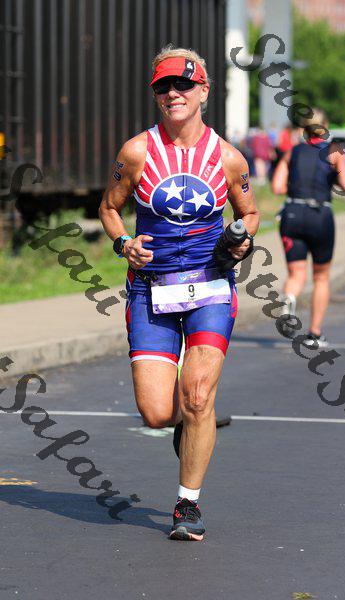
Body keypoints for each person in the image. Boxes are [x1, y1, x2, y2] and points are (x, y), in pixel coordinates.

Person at [99, 45, 259, 541]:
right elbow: (109, 208)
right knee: (156, 413)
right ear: (156, 96)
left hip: (211, 288)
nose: (174, 93)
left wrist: (241, 240)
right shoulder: (136, 152)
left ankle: (187, 504)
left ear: (203, 91)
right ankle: (189, 426)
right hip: (151, 292)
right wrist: (124, 244)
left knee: (197, 395)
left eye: (184, 85)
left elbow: (250, 214)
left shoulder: (228, 158)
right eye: (164, 87)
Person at [271, 108, 345, 346]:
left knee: (296, 273)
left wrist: (298, 187)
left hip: (293, 213)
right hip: (320, 214)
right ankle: (314, 333)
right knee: (321, 277)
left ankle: (289, 297)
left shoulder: (292, 152)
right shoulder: (334, 151)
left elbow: (277, 187)